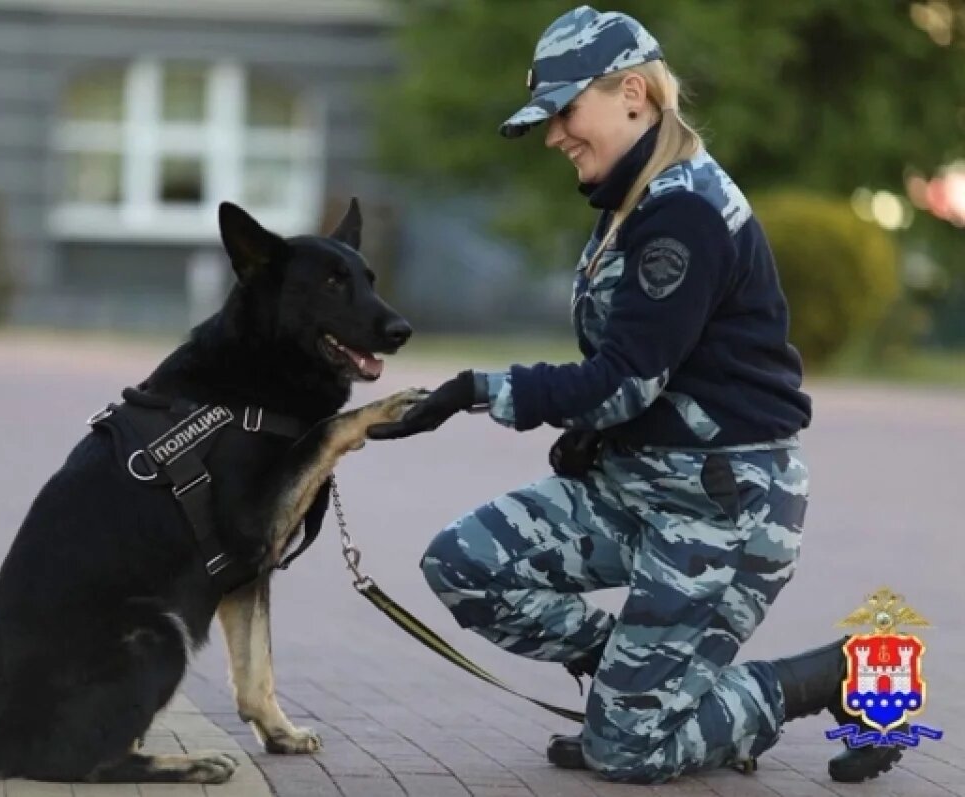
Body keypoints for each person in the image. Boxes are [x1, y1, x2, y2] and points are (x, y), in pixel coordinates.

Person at [367, 5, 903, 786]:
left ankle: (839, 674)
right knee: (465, 562)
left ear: (632, 94)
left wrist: (477, 390)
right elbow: (660, 365)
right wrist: (597, 434)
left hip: (721, 509)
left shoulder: (683, 211)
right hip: (639, 486)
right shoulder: (636, 201)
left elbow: (623, 381)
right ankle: (640, 686)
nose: (554, 136)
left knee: (628, 752)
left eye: (564, 113)